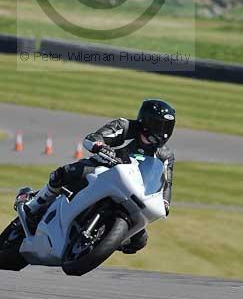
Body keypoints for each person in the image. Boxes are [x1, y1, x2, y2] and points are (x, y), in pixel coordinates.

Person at [23, 99, 175, 254]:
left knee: (140, 241)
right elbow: (94, 137)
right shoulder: (125, 127)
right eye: (158, 125)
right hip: (103, 169)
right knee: (66, 173)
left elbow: (166, 183)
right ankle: (36, 204)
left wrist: (165, 202)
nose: (162, 132)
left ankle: (104, 239)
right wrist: (100, 145)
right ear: (145, 121)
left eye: (167, 127)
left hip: (132, 190)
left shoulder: (166, 155)